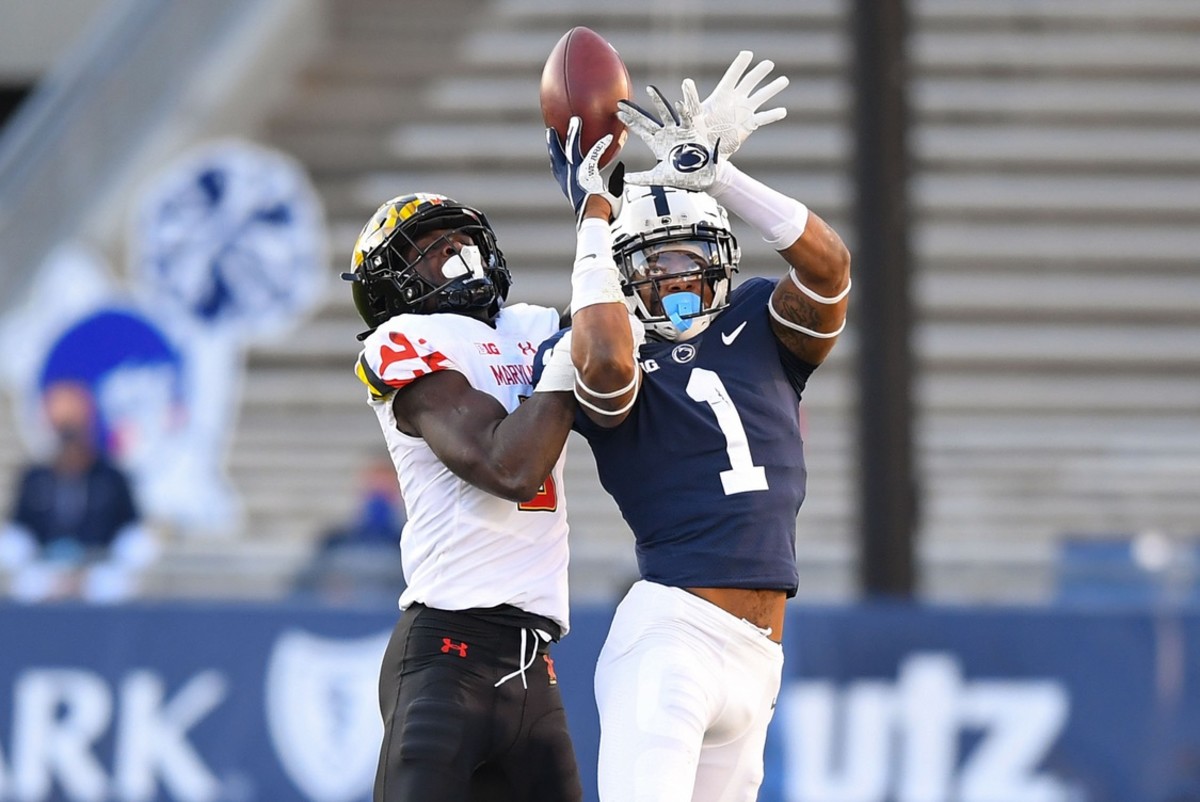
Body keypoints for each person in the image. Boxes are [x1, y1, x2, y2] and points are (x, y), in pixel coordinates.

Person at [544, 51, 852, 800]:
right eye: (655, 266)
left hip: (759, 654)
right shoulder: (606, 343)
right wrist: (593, 219)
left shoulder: (758, 320)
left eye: (688, 260)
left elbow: (830, 270)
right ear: (622, 276)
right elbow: (606, 368)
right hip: (673, 635)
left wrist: (722, 179)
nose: (677, 278)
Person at [342, 192, 590, 801]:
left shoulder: (531, 326)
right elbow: (508, 468)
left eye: (462, 240)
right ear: (391, 282)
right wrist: (568, 358)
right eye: (431, 248)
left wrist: (606, 210)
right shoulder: (405, 339)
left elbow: (612, 336)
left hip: (536, 664)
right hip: (448, 653)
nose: (457, 254)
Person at [0, 380, 158, 603]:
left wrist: (88, 569)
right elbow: (18, 531)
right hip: (46, 565)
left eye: (76, 437)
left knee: (113, 584)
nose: (71, 448)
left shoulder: (111, 478)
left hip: (98, 567)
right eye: (65, 437)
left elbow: (133, 532)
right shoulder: (35, 478)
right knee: (28, 585)